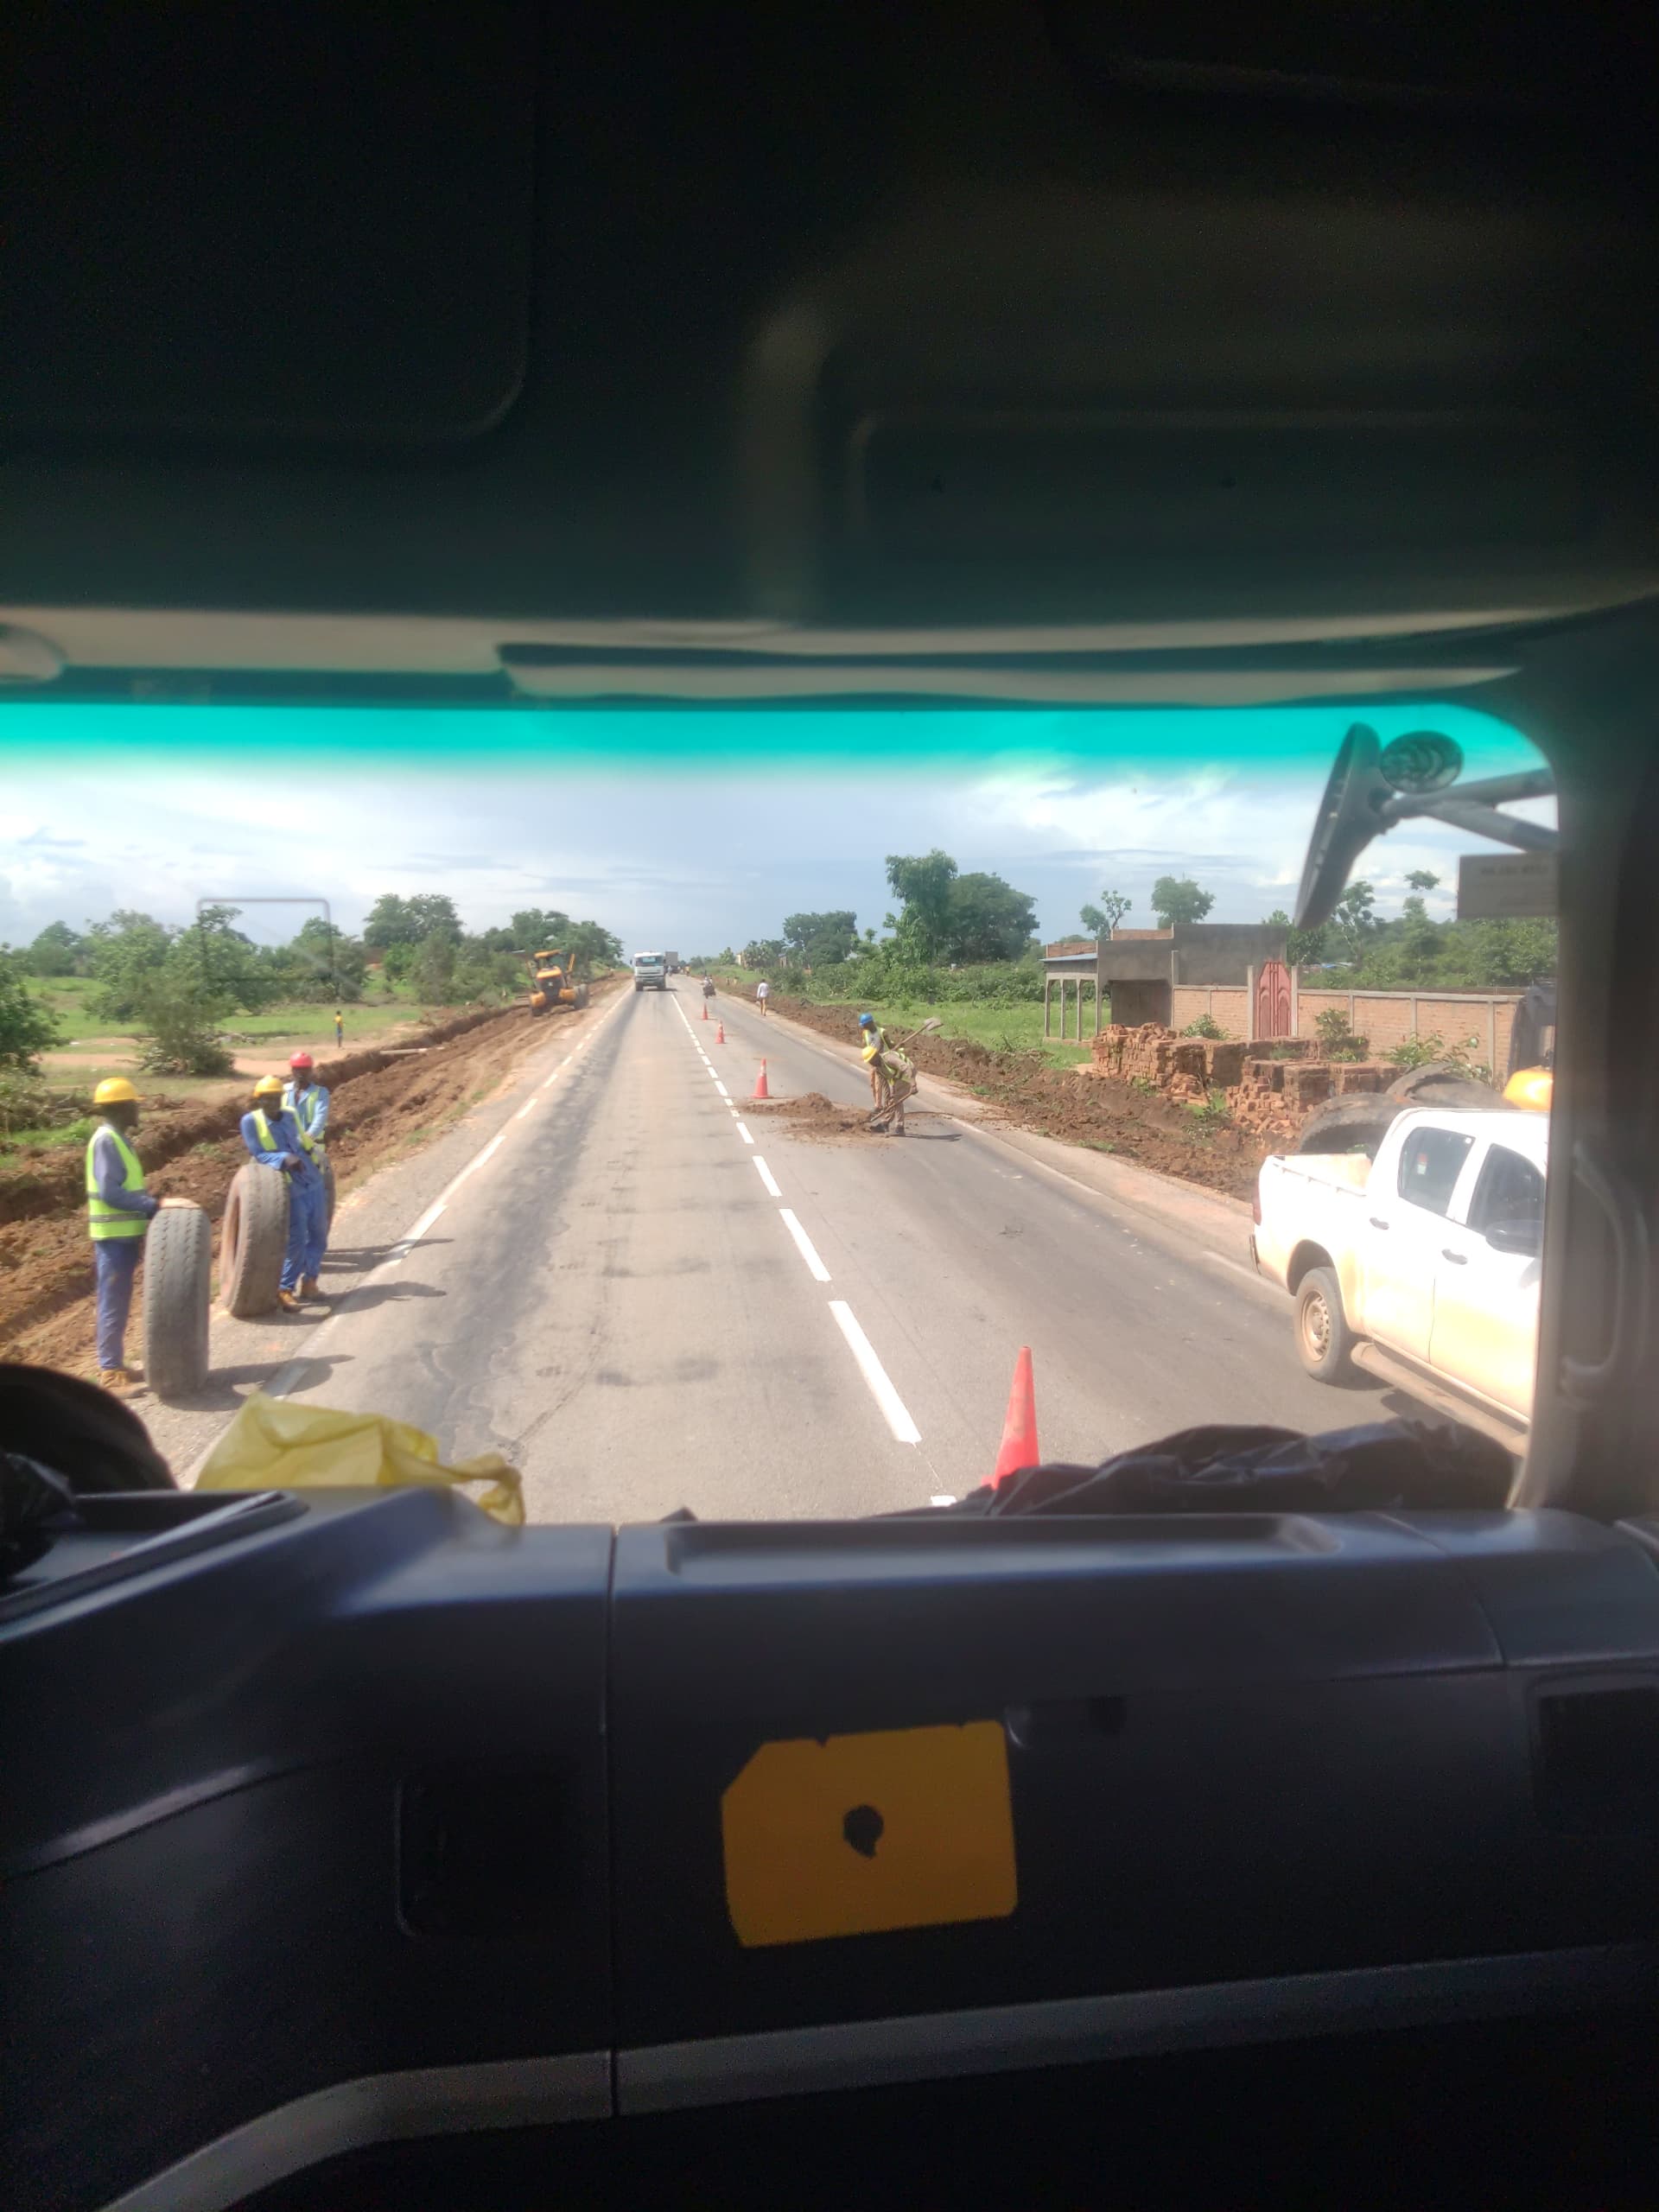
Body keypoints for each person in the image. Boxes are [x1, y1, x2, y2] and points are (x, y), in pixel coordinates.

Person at [86, 1076, 159, 1387]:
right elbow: (110, 1192)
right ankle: (109, 1372)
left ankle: (116, 1365)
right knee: (112, 1302)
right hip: (113, 1238)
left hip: (124, 1236)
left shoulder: (118, 1139)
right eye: (133, 1105)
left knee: (118, 1301)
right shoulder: (106, 1141)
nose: (137, 1110)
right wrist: (151, 1205)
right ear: (120, 1108)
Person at [240, 1074, 327, 1311]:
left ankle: (310, 1282)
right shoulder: (250, 1121)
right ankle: (285, 1288)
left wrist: (317, 1159)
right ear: (258, 1100)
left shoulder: (289, 1114)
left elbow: (303, 1142)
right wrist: (283, 1158)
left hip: (311, 1180)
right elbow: (258, 1153)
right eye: (266, 1099)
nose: (272, 1103)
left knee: (319, 1235)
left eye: (276, 1097)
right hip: (288, 1185)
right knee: (297, 1238)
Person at [858, 1012, 913, 1135]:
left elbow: (904, 1066)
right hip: (887, 1070)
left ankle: (896, 1126)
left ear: (870, 1023)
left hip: (898, 1067)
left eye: (864, 1025)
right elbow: (866, 1048)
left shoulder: (882, 1034)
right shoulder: (866, 1035)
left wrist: (913, 1084)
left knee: (896, 1099)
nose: (863, 1028)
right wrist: (887, 1101)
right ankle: (885, 1119)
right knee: (888, 1095)